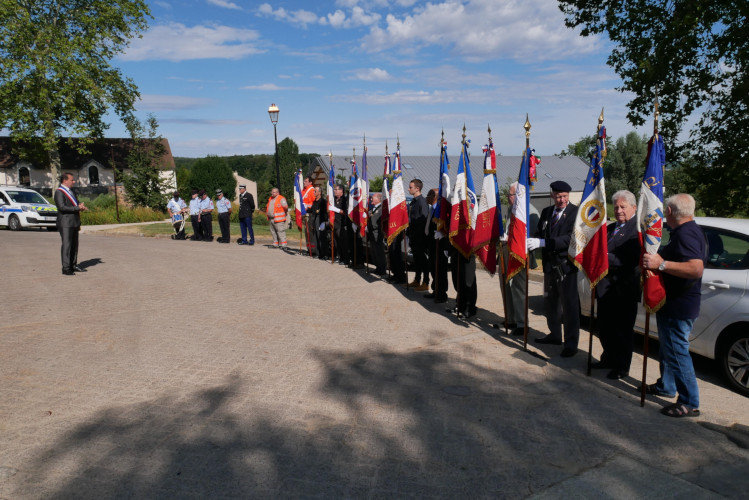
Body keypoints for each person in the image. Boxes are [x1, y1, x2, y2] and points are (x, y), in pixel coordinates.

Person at [642, 193, 706, 418]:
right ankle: (666, 386)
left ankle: (690, 402)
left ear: (669, 212)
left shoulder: (687, 234)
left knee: (678, 352)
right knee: (669, 349)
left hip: (679, 305)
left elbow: (696, 269)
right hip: (673, 303)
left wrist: (662, 264)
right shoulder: (685, 231)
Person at [527, 180, 580, 357]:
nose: (561, 200)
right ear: (552, 195)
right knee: (551, 304)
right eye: (558, 196)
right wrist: (532, 241)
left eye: (564, 196)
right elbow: (541, 233)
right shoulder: (547, 212)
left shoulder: (575, 213)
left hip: (566, 267)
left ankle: (571, 343)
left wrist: (544, 242)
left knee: (569, 306)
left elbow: (569, 238)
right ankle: (555, 335)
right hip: (550, 266)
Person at [593, 190, 641, 379]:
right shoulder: (611, 228)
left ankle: (622, 366)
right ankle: (608, 358)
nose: (619, 210)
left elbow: (629, 259)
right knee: (605, 327)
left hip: (623, 288)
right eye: (617, 207)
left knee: (622, 330)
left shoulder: (637, 231)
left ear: (634, 208)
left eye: (623, 207)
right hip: (605, 287)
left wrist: (603, 257)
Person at [54, 173, 87, 275]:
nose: (74, 182)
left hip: (74, 222)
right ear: (65, 180)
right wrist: (77, 208)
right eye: (72, 180)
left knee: (74, 245)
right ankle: (66, 268)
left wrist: (80, 205)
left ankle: (73, 265)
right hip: (65, 222)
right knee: (67, 245)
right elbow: (62, 207)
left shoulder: (71, 191)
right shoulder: (59, 192)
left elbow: (75, 203)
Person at [425, 188, 448, 303]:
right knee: (433, 269)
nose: (426, 197)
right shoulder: (432, 209)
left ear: (434, 197)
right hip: (432, 245)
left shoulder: (440, 211)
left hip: (440, 246)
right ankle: (435, 290)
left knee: (440, 270)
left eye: (428, 195)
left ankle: (441, 293)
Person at [407, 179, 429, 291]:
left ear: (417, 188)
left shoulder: (422, 202)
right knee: (417, 259)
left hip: (420, 236)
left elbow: (424, 220)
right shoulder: (413, 201)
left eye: (410, 187)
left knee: (422, 260)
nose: (408, 189)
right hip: (413, 235)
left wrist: (419, 235)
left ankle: (426, 282)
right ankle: (417, 280)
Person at [367, 192, 387, 274]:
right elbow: (370, 215)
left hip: (377, 234)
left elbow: (376, 222)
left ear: (378, 199)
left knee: (379, 252)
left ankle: (382, 269)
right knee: (374, 252)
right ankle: (378, 267)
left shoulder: (381, 209)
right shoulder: (374, 208)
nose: (371, 199)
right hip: (372, 233)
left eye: (373, 198)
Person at [308, 186, 328, 260]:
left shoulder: (323, 201)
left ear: (319, 192)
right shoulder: (314, 202)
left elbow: (325, 212)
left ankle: (324, 254)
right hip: (314, 219)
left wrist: (324, 222)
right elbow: (312, 210)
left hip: (320, 220)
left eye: (315, 191)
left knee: (322, 237)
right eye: (314, 191)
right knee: (315, 237)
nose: (314, 192)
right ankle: (318, 253)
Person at [332, 184, 349, 264]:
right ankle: (339, 257)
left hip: (341, 224)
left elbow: (345, 212)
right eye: (334, 189)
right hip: (334, 223)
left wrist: (336, 210)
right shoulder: (334, 200)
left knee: (343, 242)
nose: (334, 191)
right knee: (336, 242)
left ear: (341, 191)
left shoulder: (344, 200)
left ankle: (345, 259)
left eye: (336, 189)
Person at [302, 176, 315, 254]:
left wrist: (306, 205)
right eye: (304, 181)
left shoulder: (311, 190)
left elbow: (313, 203)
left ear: (310, 182)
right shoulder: (303, 190)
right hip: (304, 213)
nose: (304, 182)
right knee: (306, 232)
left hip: (309, 213)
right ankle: (308, 248)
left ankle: (313, 249)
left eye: (306, 181)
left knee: (310, 232)